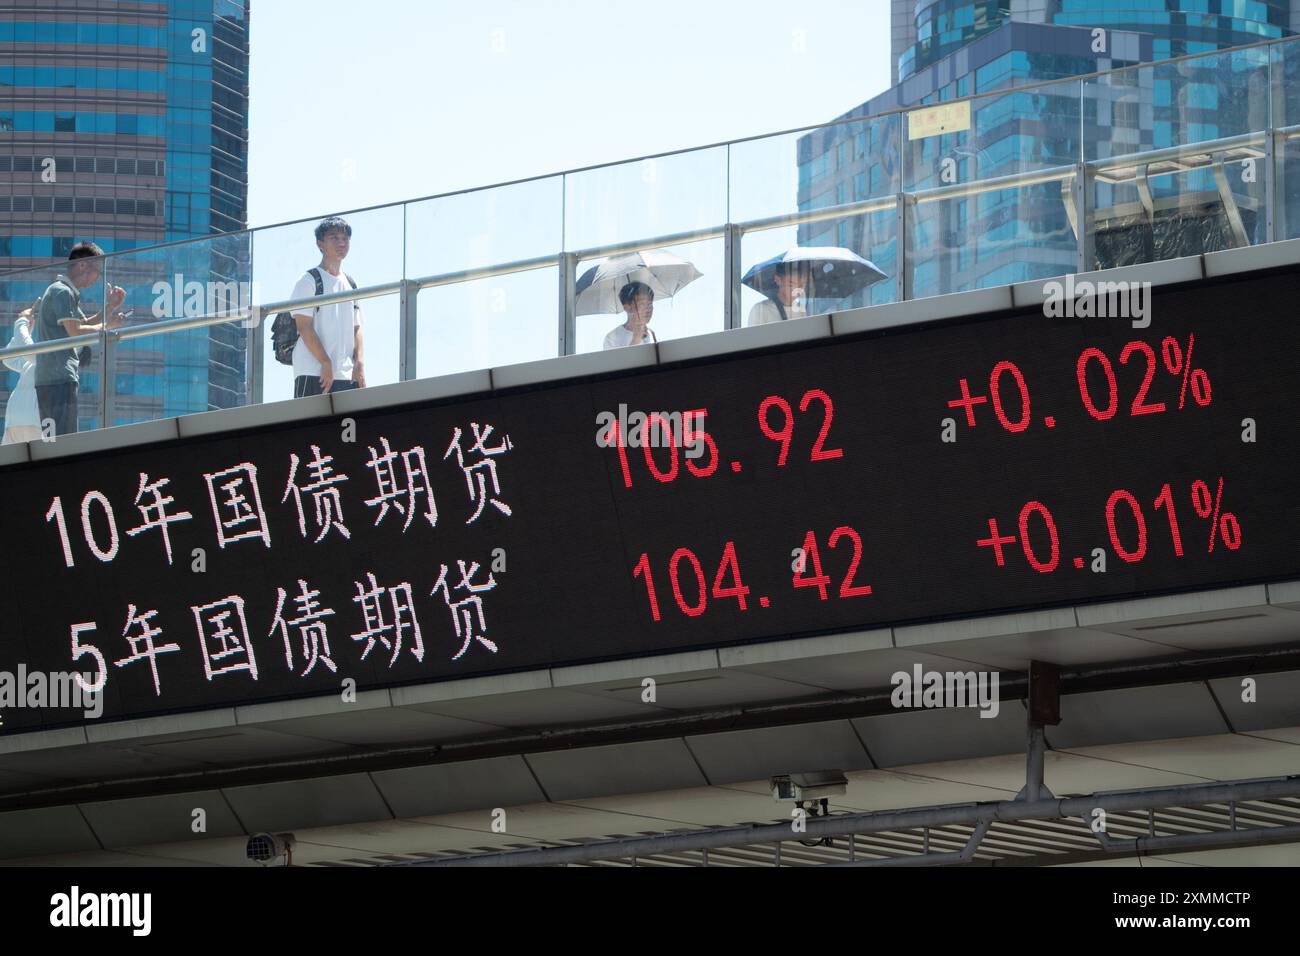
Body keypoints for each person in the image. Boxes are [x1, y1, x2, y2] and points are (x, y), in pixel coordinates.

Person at [33, 242, 127, 438]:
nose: (98, 278)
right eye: (97, 271)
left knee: (56, 440)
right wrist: (107, 327)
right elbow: (76, 331)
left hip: (53, 378)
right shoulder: (62, 291)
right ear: (83, 264)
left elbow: (84, 323)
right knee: (62, 441)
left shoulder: (65, 292)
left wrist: (110, 307)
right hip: (57, 378)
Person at [290, 217, 365, 397]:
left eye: (345, 238)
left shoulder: (351, 283)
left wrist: (359, 364)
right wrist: (325, 362)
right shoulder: (308, 280)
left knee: (350, 424)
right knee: (310, 424)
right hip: (312, 370)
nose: (341, 242)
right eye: (334, 237)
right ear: (320, 244)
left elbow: (356, 328)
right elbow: (303, 326)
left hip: (346, 373)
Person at [2, 303, 41, 444]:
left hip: (41, 423)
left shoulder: (64, 351)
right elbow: (9, 357)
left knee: (48, 464)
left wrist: (22, 322)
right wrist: (27, 332)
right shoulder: (38, 357)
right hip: (14, 424)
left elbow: (30, 353)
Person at [747, 261, 814, 327]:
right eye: (792, 285)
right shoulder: (760, 309)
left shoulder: (803, 312)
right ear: (778, 280)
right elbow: (753, 337)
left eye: (802, 285)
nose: (798, 290)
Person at [603, 281, 658, 350]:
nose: (648, 309)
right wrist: (636, 340)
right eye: (642, 304)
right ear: (627, 308)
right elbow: (614, 361)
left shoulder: (652, 334)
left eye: (650, 304)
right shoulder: (612, 338)